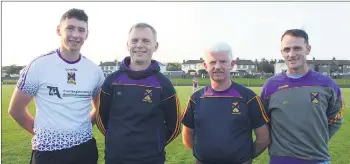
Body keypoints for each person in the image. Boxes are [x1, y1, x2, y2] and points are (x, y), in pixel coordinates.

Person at [8, 8, 105, 164]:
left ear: (86, 34)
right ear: (59, 30)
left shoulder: (95, 71)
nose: (75, 34)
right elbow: (15, 110)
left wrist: (82, 127)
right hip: (48, 152)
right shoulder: (39, 66)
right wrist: (42, 133)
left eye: (81, 30)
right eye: (70, 28)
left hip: (84, 150)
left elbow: (98, 107)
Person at [96, 22, 181, 164]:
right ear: (127, 44)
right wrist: (115, 139)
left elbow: (175, 126)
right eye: (134, 40)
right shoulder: (112, 81)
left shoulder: (164, 85)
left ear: (155, 46)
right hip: (115, 159)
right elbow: (101, 118)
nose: (139, 45)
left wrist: (155, 145)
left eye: (146, 41)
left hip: (151, 159)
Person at [260, 29, 344, 164]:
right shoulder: (270, 86)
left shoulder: (327, 85)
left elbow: (336, 118)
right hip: (280, 160)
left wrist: (318, 141)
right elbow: (263, 122)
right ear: (281, 52)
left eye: (297, 48)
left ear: (308, 49)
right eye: (286, 49)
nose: (291, 54)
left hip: (317, 160)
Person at [181, 42, 271, 164]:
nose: (217, 66)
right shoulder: (195, 99)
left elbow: (263, 138)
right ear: (205, 66)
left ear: (232, 65)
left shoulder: (249, 98)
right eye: (212, 62)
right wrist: (203, 155)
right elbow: (187, 136)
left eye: (223, 61)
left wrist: (245, 157)